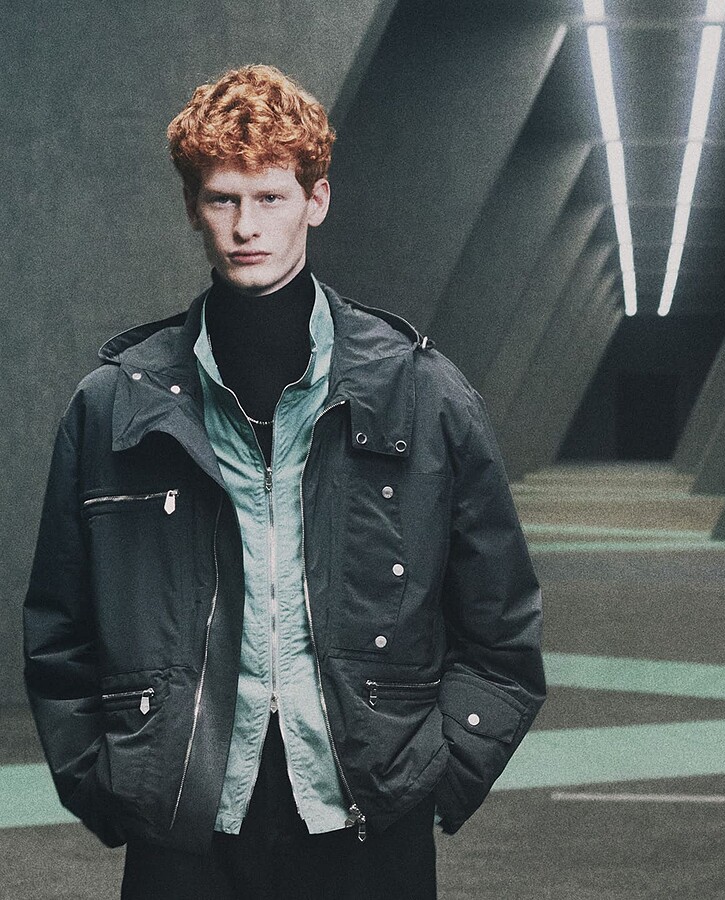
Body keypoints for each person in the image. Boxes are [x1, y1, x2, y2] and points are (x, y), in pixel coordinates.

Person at [23, 64, 545, 900]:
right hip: (185, 821)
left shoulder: (422, 394)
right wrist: (107, 782)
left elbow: (501, 622)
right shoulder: (114, 405)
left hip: (367, 818)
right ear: (193, 206)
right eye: (222, 199)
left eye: (270, 197)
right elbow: (60, 624)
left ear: (316, 200)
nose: (245, 226)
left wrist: (436, 776)